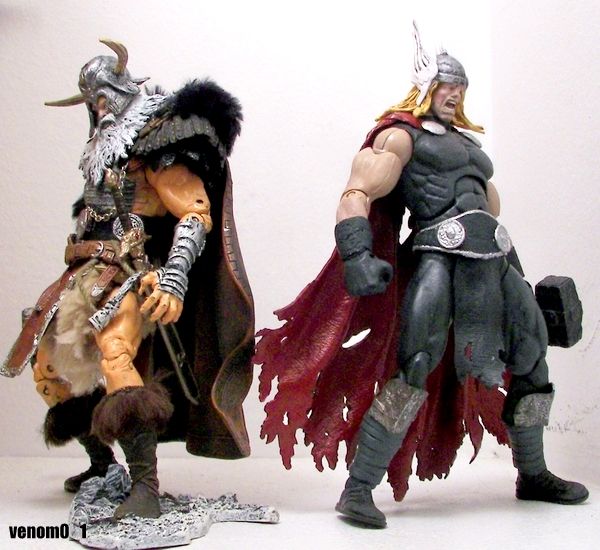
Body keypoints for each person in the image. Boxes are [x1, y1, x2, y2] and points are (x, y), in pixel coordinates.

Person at [255, 25, 588, 528]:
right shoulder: (399, 137)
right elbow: (357, 192)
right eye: (446, 85)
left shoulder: (472, 150)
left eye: (460, 88)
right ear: (426, 87)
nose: (454, 95)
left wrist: (518, 275)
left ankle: (533, 472)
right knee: (415, 364)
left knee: (532, 358)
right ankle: (358, 488)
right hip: (437, 258)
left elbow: (491, 216)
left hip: (495, 262)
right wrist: (356, 255)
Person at [1, 39, 255, 520]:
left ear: (123, 90)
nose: (100, 109)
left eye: (104, 97)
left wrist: (174, 278)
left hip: (132, 274)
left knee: (115, 350)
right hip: (84, 273)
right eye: (92, 103)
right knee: (47, 365)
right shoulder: (102, 156)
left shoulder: (156, 144)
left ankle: (145, 488)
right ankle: (102, 464)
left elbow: (194, 213)